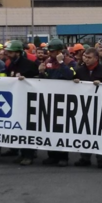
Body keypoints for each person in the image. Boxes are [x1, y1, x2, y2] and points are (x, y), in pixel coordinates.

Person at [73, 48, 102, 168]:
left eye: (89, 57)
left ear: (96, 58)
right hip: (85, 106)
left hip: (101, 107)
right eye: (85, 56)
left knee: (100, 133)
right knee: (85, 132)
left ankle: (101, 158)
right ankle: (85, 157)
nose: (85, 59)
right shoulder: (80, 71)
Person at [39, 38, 75, 166]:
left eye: (52, 51)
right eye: (49, 51)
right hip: (50, 100)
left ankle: (63, 157)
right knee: (50, 129)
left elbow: (70, 76)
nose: (50, 53)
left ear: (60, 51)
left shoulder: (70, 61)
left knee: (62, 129)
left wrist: (61, 63)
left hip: (64, 101)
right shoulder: (48, 62)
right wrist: (42, 72)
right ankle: (52, 155)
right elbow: (46, 80)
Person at [4, 40, 40, 166]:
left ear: (18, 53)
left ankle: (29, 155)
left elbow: (38, 81)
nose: (8, 54)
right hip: (16, 101)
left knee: (28, 129)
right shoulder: (11, 65)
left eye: (11, 52)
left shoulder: (29, 64)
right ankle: (22, 153)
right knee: (19, 128)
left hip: (28, 102)